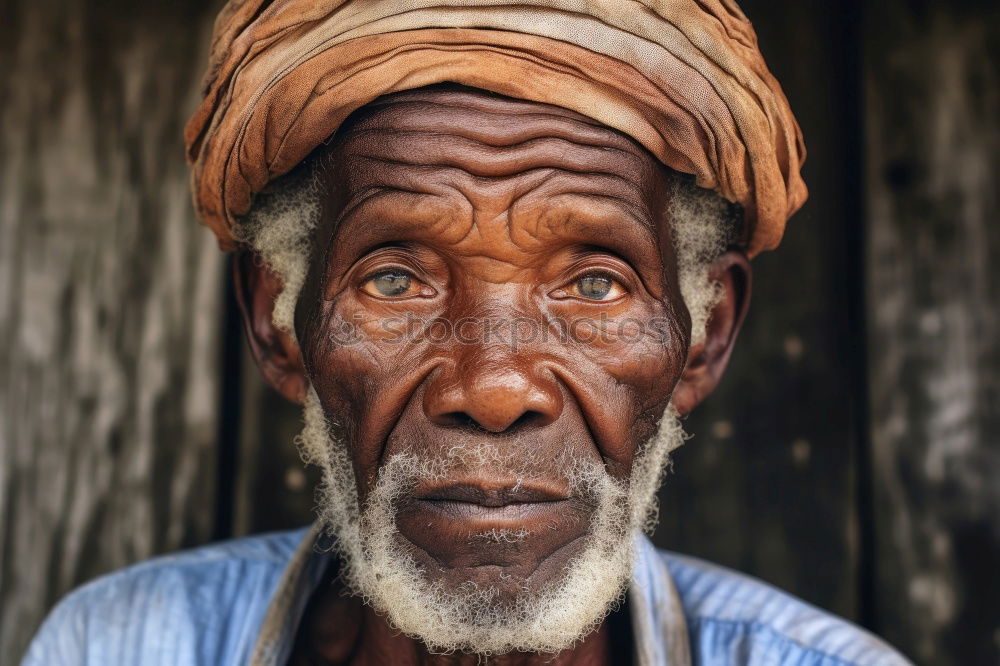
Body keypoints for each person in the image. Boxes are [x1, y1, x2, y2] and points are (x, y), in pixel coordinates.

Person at [24, 1, 912, 665]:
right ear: (278, 321)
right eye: (395, 281)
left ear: (705, 335)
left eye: (595, 285)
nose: (492, 391)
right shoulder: (118, 646)